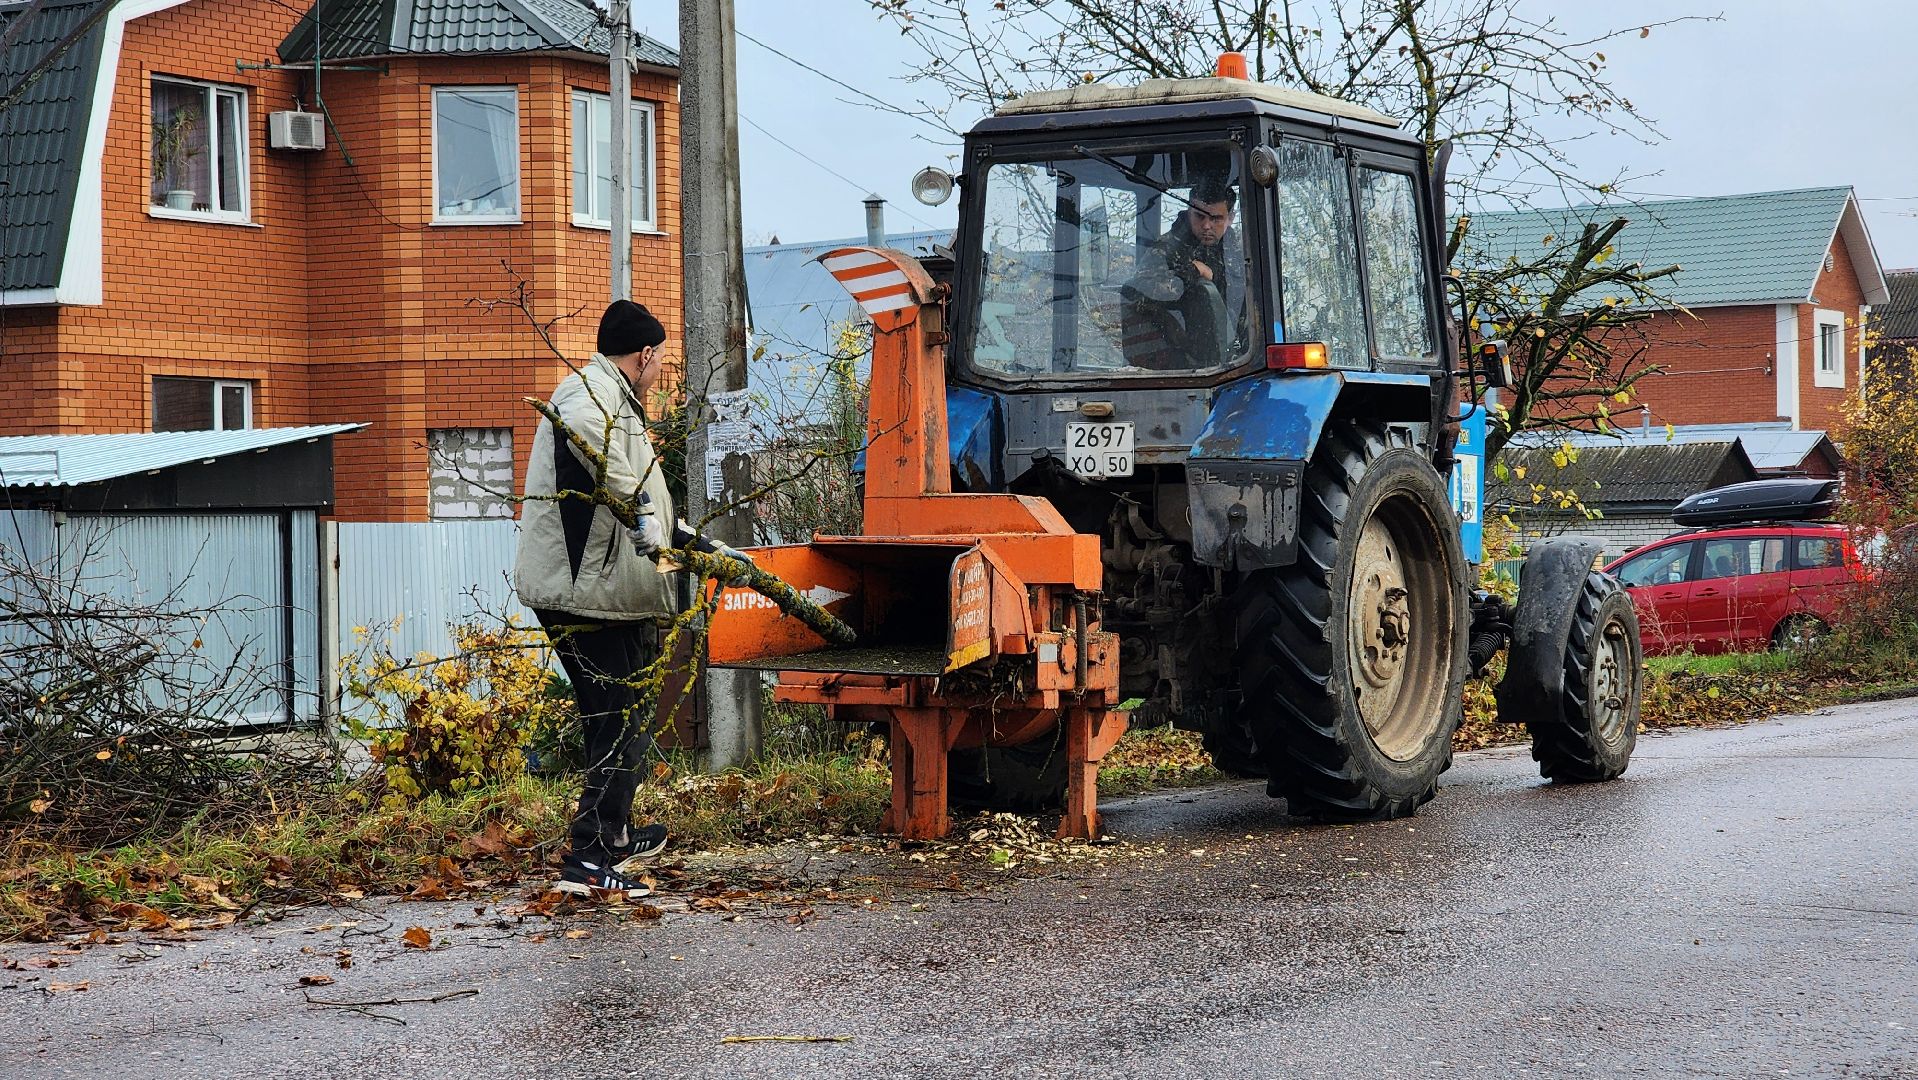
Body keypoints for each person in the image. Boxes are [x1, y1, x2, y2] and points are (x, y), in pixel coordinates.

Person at [514, 300, 685, 900]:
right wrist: (642, 513)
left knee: (625, 714)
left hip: (608, 592)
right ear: (644, 354)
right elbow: (596, 449)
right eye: (661, 359)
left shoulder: (618, 400)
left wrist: (687, 539)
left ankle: (612, 835)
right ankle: (588, 857)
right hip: (584, 593)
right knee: (615, 719)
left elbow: (645, 497)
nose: (661, 370)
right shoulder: (588, 394)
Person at [1122, 177, 1245, 370]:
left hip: (1239, 362)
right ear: (1189, 212)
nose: (1207, 225)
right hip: (1183, 367)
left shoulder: (1241, 251)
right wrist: (1191, 272)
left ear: (1230, 218)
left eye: (1216, 219)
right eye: (1200, 216)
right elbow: (1136, 295)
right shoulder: (1167, 249)